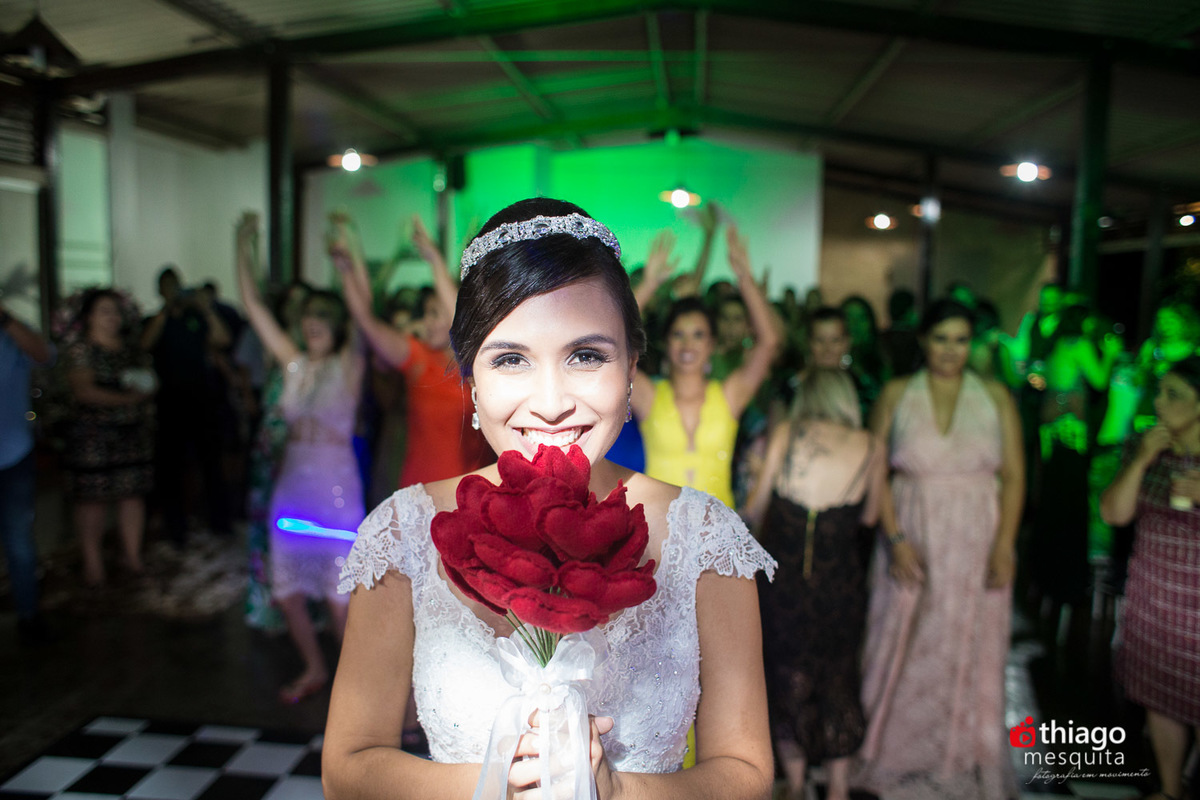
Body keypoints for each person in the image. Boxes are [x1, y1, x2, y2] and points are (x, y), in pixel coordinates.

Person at [324, 198, 777, 800]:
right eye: (511, 359)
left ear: (632, 367)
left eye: (586, 356)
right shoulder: (402, 532)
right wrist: (494, 784)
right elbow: (348, 768)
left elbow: (747, 774)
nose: (551, 401)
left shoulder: (707, 539)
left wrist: (620, 792)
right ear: (471, 382)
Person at [853, 299, 1024, 800]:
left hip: (976, 535)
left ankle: (962, 752)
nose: (951, 351)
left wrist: (1005, 545)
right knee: (899, 637)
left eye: (962, 340)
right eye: (942, 338)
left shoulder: (994, 396)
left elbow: (1014, 476)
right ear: (924, 341)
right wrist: (897, 539)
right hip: (912, 530)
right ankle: (889, 750)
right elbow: (876, 470)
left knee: (969, 640)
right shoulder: (897, 393)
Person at [236, 213, 365, 703]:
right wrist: (244, 244)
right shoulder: (293, 366)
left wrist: (347, 256)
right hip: (291, 493)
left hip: (336, 495)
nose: (314, 324)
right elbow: (252, 305)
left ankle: (358, 689)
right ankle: (314, 668)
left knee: (340, 603)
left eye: (323, 318)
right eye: (309, 316)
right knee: (287, 593)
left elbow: (362, 313)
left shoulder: (349, 366)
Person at [743, 368, 884, 800]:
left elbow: (755, 508)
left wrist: (752, 470)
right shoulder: (871, 446)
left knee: (787, 680)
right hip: (840, 586)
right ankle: (838, 789)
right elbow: (870, 516)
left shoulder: (786, 432)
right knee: (839, 680)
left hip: (784, 589)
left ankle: (798, 784)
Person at [1101, 356, 1200, 800]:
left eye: (1173, 395)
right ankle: (1169, 786)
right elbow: (1113, 513)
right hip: (1155, 591)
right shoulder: (1147, 447)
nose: (1159, 402)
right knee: (1160, 695)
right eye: (1159, 392)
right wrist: (1141, 460)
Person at [330, 214, 491, 487]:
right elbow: (368, 323)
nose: (426, 322)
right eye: (425, 314)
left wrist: (434, 259)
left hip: (469, 493)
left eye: (434, 314)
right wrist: (345, 271)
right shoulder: (417, 356)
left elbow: (459, 320)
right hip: (419, 489)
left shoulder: (479, 364)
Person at [630, 226, 780, 507]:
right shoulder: (649, 394)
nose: (688, 345)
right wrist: (649, 284)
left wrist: (745, 279)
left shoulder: (729, 395)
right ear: (665, 342)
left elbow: (768, 343)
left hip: (720, 533)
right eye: (678, 334)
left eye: (698, 335)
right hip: (660, 533)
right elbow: (613, 342)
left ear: (712, 344)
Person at [63, 289, 156, 588]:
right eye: (104, 311)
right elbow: (84, 391)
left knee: (132, 495)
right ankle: (93, 562)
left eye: (115, 311)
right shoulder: (81, 351)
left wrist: (143, 394)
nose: (112, 317)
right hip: (94, 438)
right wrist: (128, 400)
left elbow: (150, 381)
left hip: (132, 436)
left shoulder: (131, 350)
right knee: (94, 500)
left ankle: (132, 555)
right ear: (89, 317)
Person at [141, 265, 233, 542]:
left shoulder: (196, 318)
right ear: (160, 290)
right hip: (169, 402)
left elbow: (223, 339)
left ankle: (220, 522)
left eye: (176, 286)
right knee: (171, 468)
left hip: (203, 399)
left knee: (212, 463)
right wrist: (167, 310)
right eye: (168, 287)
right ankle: (175, 528)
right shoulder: (155, 319)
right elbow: (143, 345)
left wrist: (204, 308)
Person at [0, 302, 54, 642]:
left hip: (14, 454)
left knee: (20, 541)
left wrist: (5, 319)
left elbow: (45, 355)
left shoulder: (13, 333)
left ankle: (29, 616)